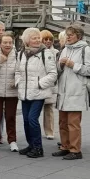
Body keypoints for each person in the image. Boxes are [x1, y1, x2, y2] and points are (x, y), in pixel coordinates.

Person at [52, 25, 90, 160]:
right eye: (67, 35)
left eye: (71, 35)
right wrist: (60, 65)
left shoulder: (86, 50)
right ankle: (65, 146)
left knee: (73, 123)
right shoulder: (64, 49)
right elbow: (57, 70)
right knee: (62, 122)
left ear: (79, 36)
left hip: (77, 91)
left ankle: (76, 150)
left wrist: (73, 65)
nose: (68, 37)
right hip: (63, 92)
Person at [15, 27, 57, 158]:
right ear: (27, 40)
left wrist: (39, 84)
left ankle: (38, 148)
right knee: (26, 120)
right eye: (34, 38)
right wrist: (18, 82)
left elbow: (53, 74)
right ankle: (31, 145)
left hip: (39, 93)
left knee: (32, 119)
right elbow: (17, 71)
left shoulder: (46, 54)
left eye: (38, 37)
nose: (38, 40)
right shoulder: (21, 54)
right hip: (25, 92)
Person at [0, 33, 19, 152]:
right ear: (0, 44)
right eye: (5, 42)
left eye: (10, 42)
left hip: (12, 90)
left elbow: (21, 71)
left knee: (10, 116)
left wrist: (16, 81)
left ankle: (12, 141)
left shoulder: (18, 55)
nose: (7, 45)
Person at [40, 30, 59, 140]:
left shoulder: (56, 52)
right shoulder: (37, 51)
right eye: (45, 39)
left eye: (50, 39)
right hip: (38, 82)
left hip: (50, 84)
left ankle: (49, 131)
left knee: (49, 108)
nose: (48, 41)